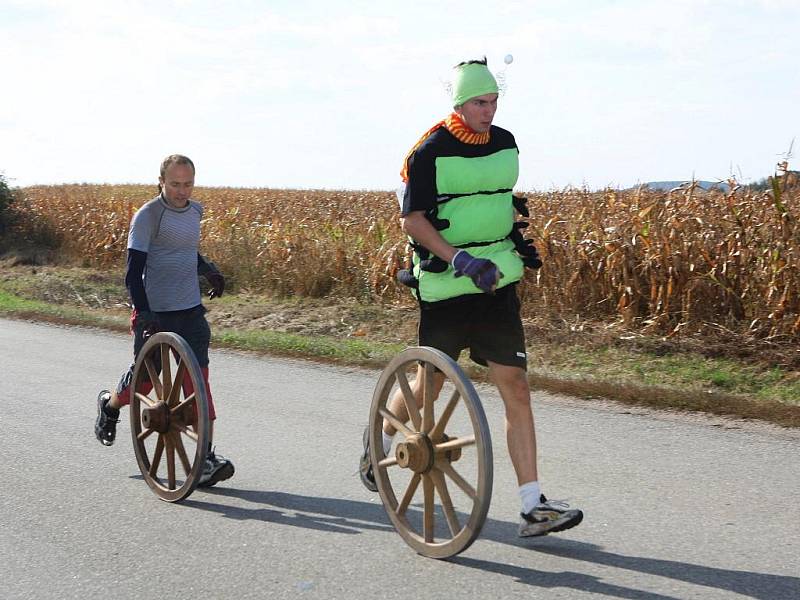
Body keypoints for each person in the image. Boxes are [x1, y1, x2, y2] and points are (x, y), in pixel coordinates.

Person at [359, 58, 583, 537]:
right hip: (447, 284)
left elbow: (498, 201)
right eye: (480, 102)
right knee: (432, 385)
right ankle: (376, 441)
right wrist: (459, 259)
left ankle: (532, 505)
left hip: (496, 281)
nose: (489, 110)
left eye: (494, 101)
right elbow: (412, 220)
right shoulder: (429, 151)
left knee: (516, 385)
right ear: (460, 104)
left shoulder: (505, 143)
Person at [94, 154, 234, 487]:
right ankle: (110, 406)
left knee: (197, 384)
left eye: (188, 184)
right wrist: (144, 313)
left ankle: (205, 458)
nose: (182, 191)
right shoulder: (148, 216)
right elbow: (133, 271)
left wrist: (208, 270)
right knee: (144, 382)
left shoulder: (195, 211)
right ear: (161, 181)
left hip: (190, 310)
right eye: (175, 184)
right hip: (156, 311)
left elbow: (185, 251)